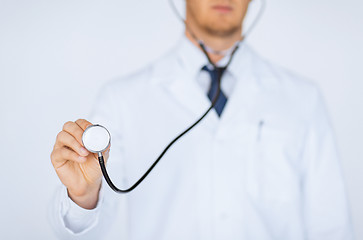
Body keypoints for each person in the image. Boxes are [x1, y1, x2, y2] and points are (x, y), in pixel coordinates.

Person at [49, 0, 353, 239]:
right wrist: (84, 196)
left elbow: (331, 226)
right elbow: (86, 231)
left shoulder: (303, 98)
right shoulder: (122, 99)